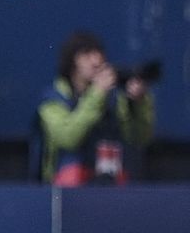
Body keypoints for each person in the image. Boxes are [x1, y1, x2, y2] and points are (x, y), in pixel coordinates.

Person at [37, 31, 155, 185]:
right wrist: (96, 94)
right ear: (71, 62)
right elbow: (68, 138)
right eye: (86, 55)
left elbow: (139, 138)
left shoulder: (114, 98)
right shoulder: (52, 100)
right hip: (68, 187)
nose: (96, 61)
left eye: (99, 54)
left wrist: (139, 103)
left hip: (111, 180)